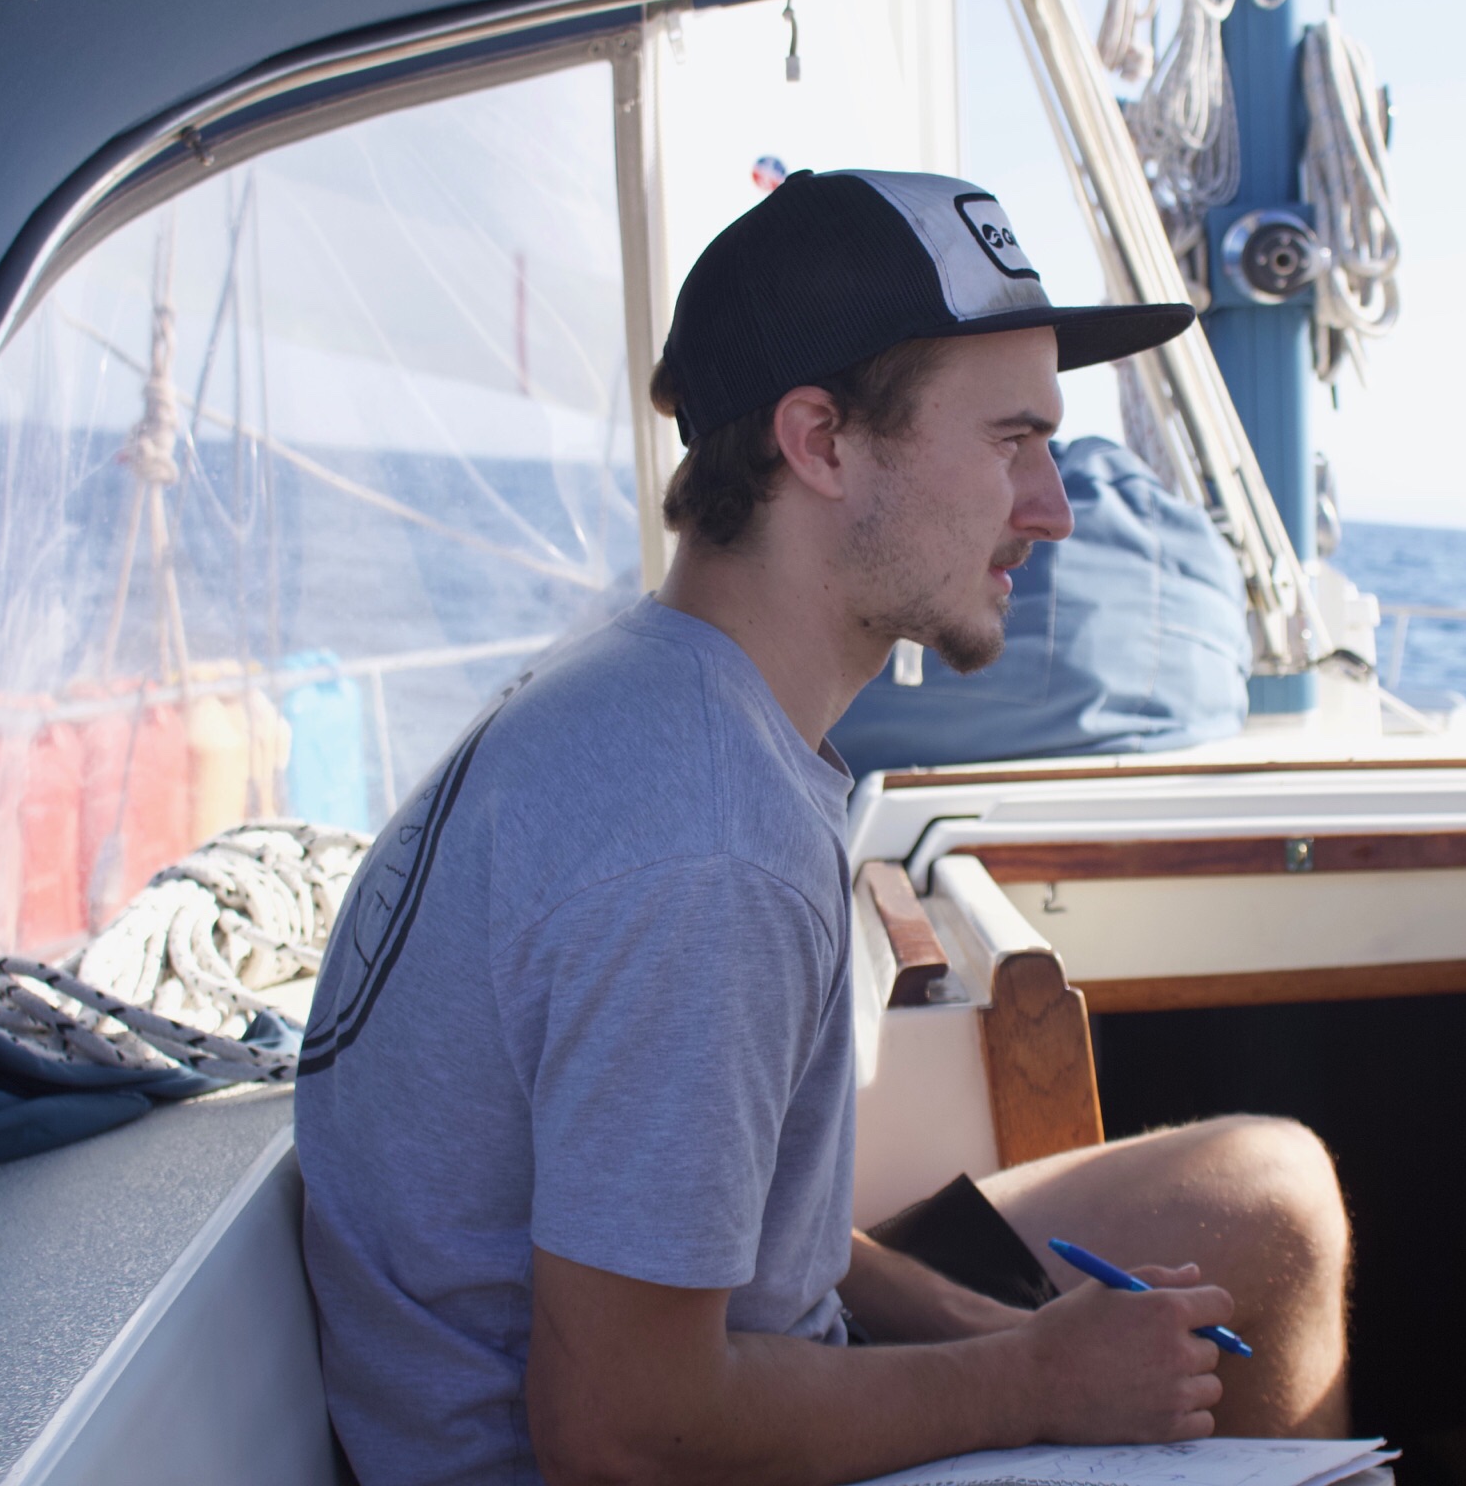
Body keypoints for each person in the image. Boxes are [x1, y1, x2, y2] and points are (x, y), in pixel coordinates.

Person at [296, 169, 1351, 1486]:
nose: (1054, 508)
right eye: (1011, 442)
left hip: (717, 1356)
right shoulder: (705, 841)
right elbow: (623, 1432)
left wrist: (1000, 1332)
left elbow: (707, 1220)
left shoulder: (652, 697)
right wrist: (1037, 1380)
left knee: (1266, 1197)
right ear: (821, 443)